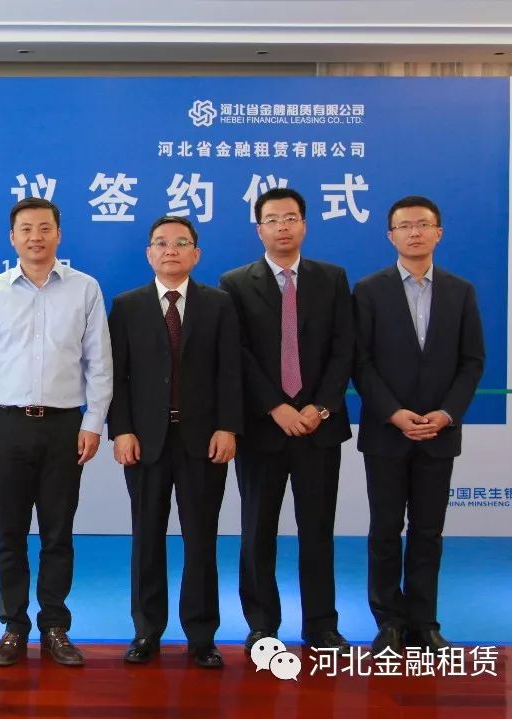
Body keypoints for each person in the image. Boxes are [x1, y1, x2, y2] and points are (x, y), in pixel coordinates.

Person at [0, 197, 113, 667]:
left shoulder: (85, 289)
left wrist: (93, 421)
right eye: (26, 229)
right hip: (7, 425)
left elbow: (99, 362)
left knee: (57, 532)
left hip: (65, 426)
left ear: (58, 234)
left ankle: (54, 626)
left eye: (44, 228)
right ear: (12, 238)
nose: (35, 237)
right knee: (9, 533)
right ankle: (13, 625)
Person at [219, 187, 353, 653]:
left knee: (317, 530)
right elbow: (237, 354)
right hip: (263, 429)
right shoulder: (235, 283)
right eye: (273, 219)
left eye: (291, 218)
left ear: (304, 225)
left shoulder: (331, 279)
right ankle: (262, 624)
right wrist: (275, 406)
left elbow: (344, 349)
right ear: (259, 229)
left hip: (319, 428)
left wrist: (320, 407)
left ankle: (321, 625)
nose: (283, 226)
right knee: (258, 530)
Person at [109, 216, 242, 669]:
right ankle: (146, 630)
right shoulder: (127, 306)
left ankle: (201, 635)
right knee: (146, 538)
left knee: (201, 539)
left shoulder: (219, 304)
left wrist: (228, 426)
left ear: (196, 254)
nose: (171, 250)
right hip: (145, 442)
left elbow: (230, 371)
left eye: (181, 243)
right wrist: (121, 429)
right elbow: (117, 376)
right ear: (149, 253)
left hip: (203, 441)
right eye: (161, 243)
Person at [353, 195, 484, 654]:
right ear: (390, 236)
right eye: (404, 226)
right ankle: (389, 621)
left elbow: (472, 362)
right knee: (385, 530)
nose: (414, 232)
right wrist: (393, 412)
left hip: (439, 432)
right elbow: (360, 363)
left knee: (428, 532)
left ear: (438, 233)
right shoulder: (369, 291)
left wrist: (446, 413)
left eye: (422, 225)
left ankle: (424, 622)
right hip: (386, 432)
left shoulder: (460, 291)